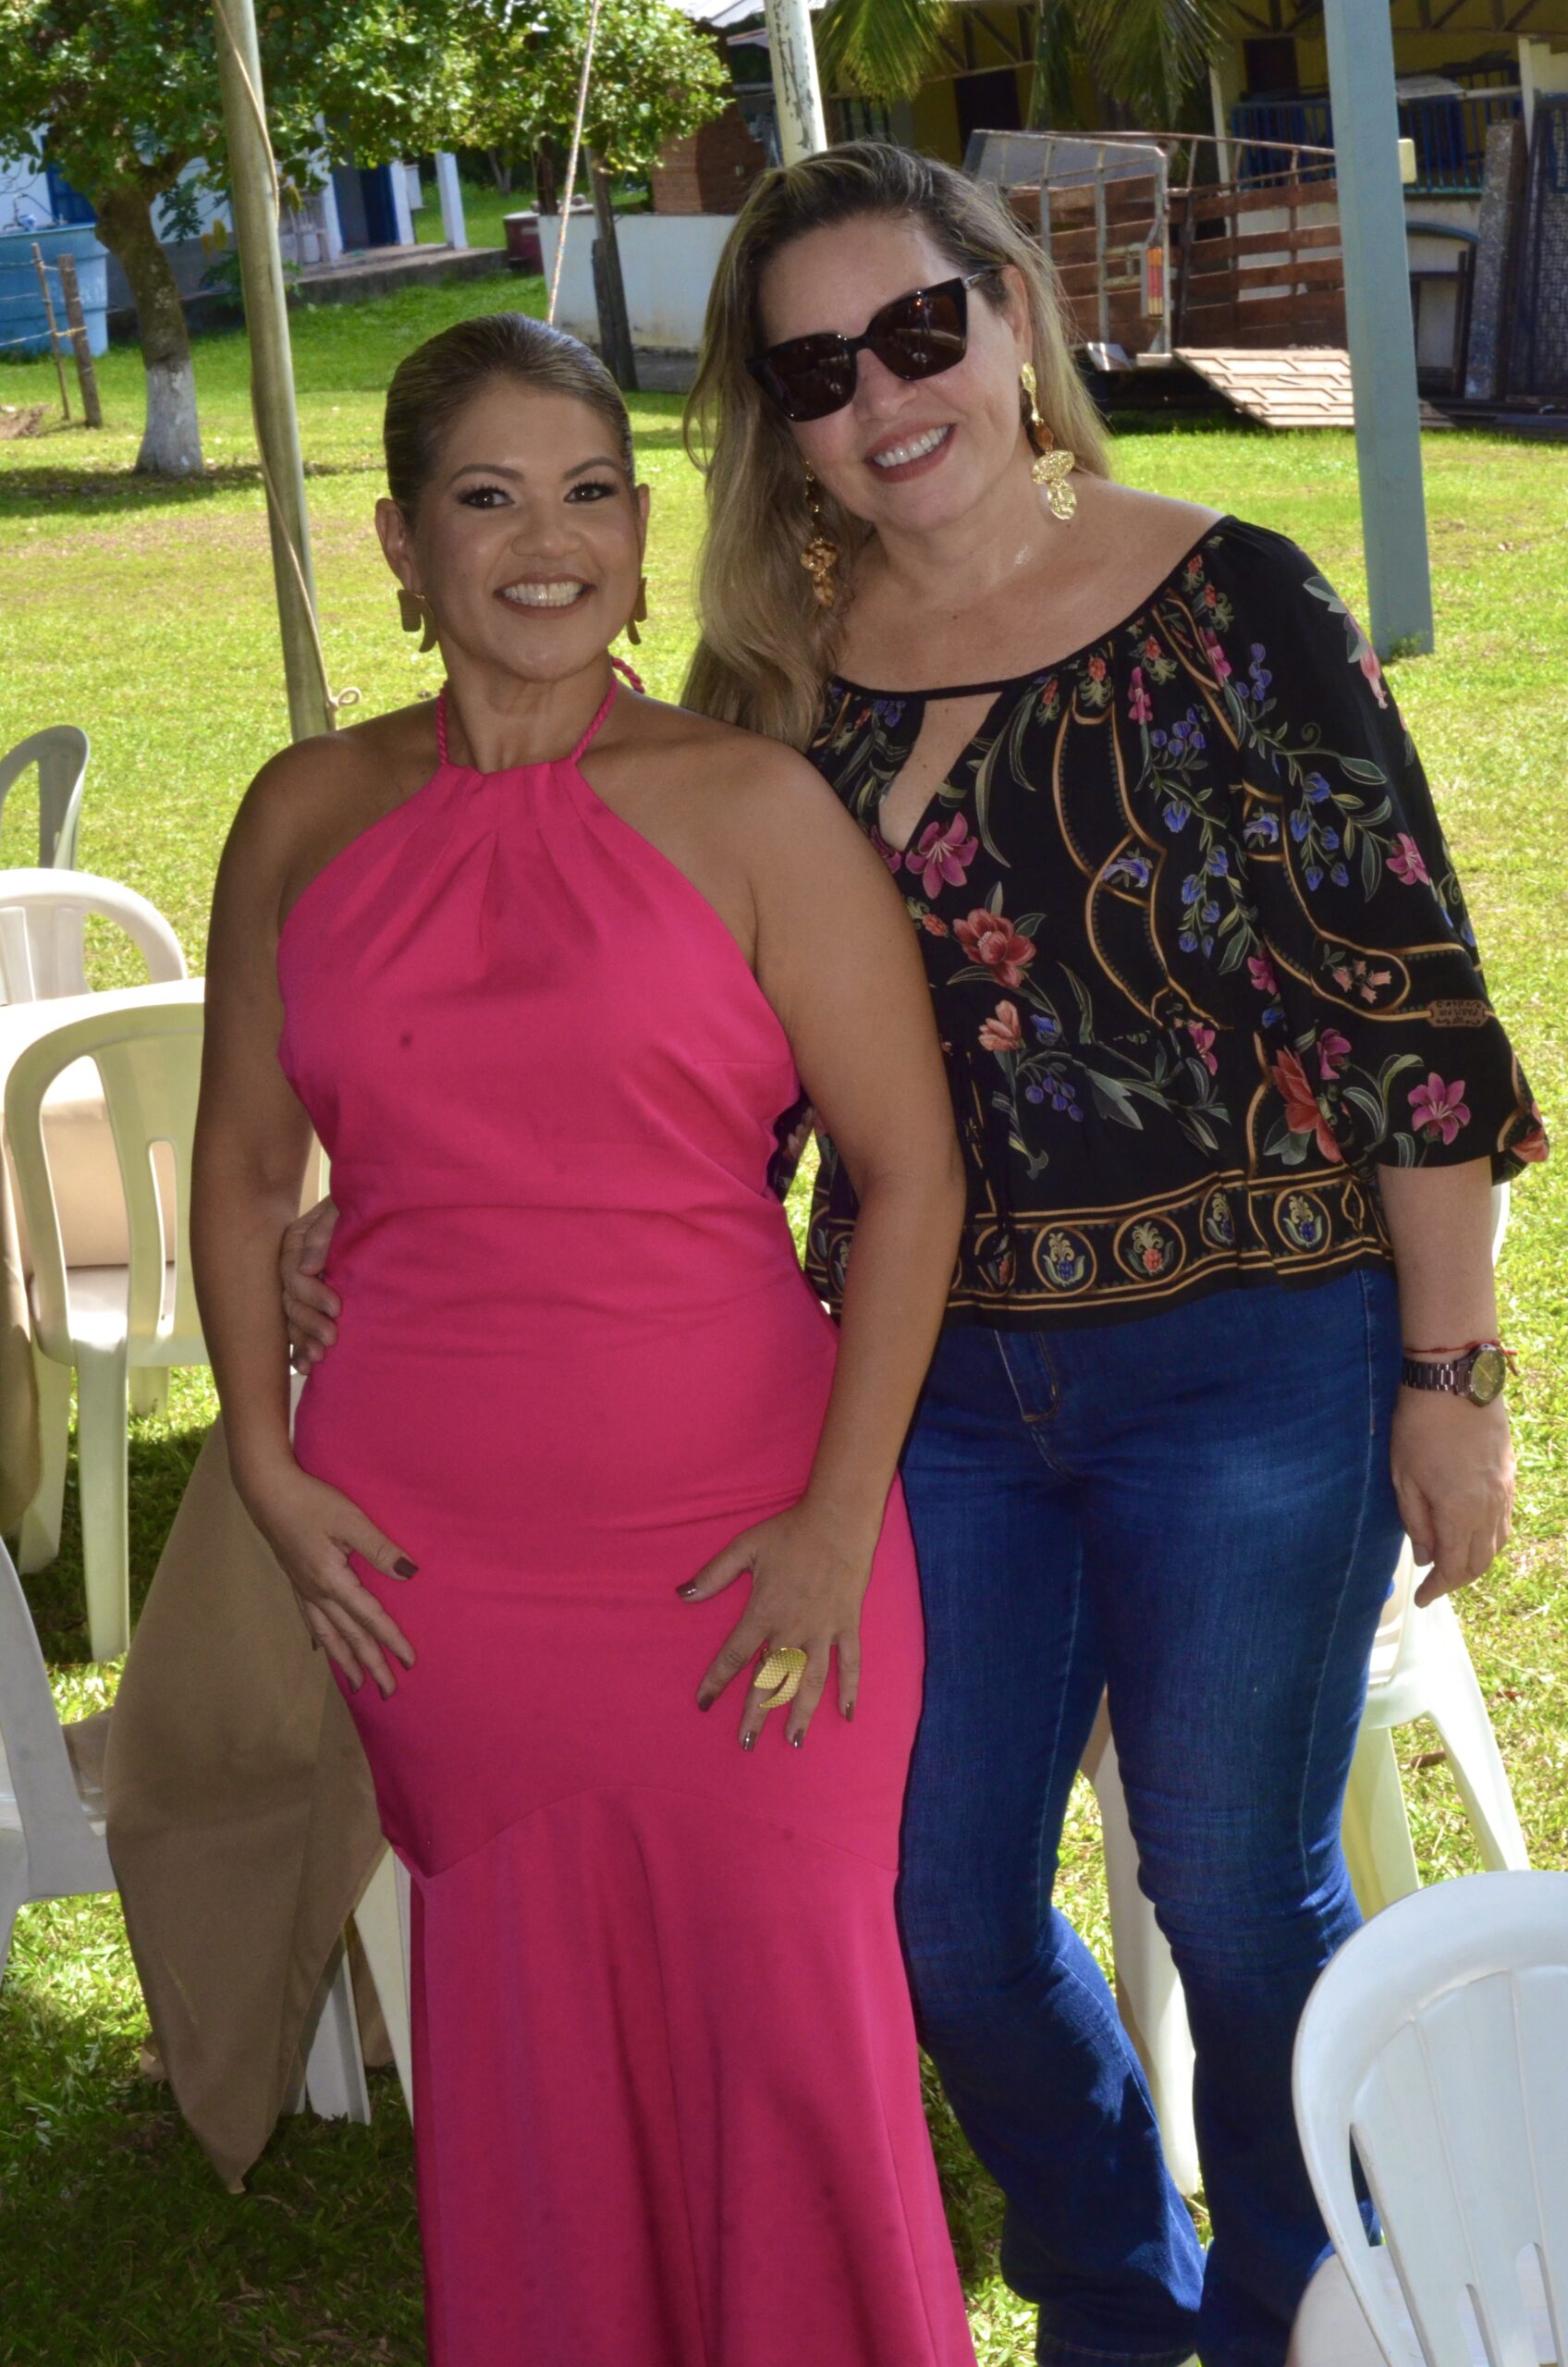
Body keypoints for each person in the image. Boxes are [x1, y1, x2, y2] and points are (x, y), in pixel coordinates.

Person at [284, 151, 1547, 2367]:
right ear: (776, 422)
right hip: (923, 1386)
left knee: (1230, 1890)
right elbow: (688, 1028)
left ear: (1010, 321)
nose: (882, 397)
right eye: (815, 369)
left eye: (917, 332)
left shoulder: (1230, 598)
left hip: (1250, 1358)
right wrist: (394, 1196)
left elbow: (1405, 1015)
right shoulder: (772, 685)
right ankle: (1114, 2291)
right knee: (931, 1909)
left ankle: (1295, 2310)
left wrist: (1449, 1377)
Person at [192, 311, 975, 2367]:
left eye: (592, 493)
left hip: (749, 1544)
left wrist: (835, 1524)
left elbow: (910, 1178)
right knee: (531, 2049)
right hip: (436, 1573)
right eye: (488, 498)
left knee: (793, 2045)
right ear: (400, 542)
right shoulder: (301, 814)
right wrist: (264, 1461)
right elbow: (243, 1172)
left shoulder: (752, 807)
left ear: (640, 535)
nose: (548, 543)